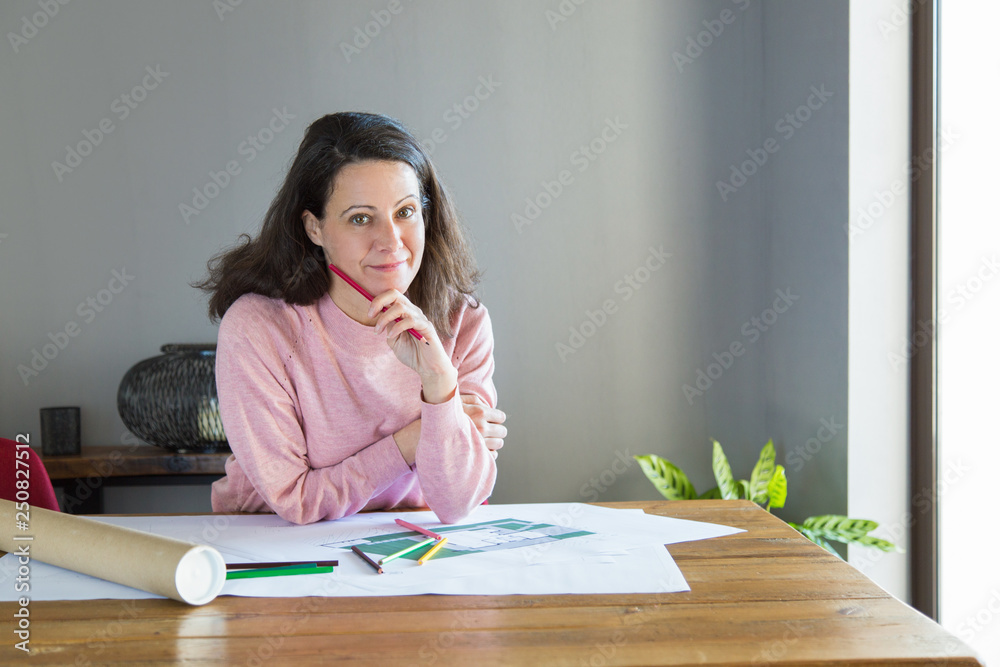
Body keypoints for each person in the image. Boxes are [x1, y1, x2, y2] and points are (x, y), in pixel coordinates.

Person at [194, 111, 506, 525]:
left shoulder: (462, 321)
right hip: (271, 544)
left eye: (406, 212)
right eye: (361, 218)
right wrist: (421, 436)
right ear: (314, 228)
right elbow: (296, 500)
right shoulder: (258, 328)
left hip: (407, 546)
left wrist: (439, 383)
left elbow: (456, 504)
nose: (392, 242)